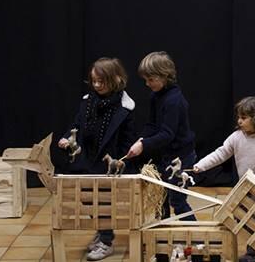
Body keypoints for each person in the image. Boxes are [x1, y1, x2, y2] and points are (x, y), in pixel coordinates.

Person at [58, 57, 136, 261]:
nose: (97, 85)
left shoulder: (124, 108)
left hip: (107, 163)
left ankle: (106, 241)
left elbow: (127, 140)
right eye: (94, 81)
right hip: (86, 159)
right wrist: (67, 138)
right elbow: (76, 125)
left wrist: (121, 161)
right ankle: (102, 232)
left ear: (115, 79)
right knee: (88, 199)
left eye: (101, 81)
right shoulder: (88, 102)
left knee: (103, 202)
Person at [193, 96, 255, 262]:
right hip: (245, 187)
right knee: (241, 218)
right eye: (239, 117)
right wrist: (201, 166)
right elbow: (221, 153)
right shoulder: (237, 137)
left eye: (244, 118)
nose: (239, 121)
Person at [125, 51, 196, 221]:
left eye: (151, 79)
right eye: (145, 79)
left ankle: (194, 233)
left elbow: (167, 134)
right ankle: (162, 231)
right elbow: (151, 125)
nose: (147, 83)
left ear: (165, 76)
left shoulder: (174, 101)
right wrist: (141, 139)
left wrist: (143, 145)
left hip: (180, 158)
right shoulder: (155, 96)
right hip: (165, 156)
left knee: (177, 201)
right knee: (161, 197)